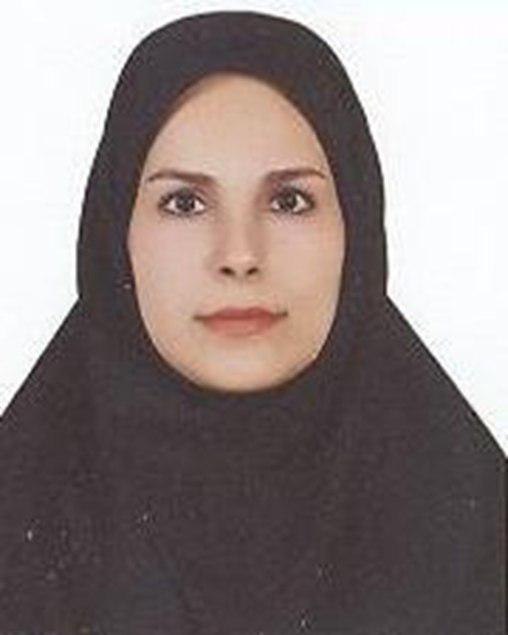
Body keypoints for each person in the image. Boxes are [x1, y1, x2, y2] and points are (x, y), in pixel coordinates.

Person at [0, 10, 505, 635]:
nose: (239, 255)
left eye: (289, 201)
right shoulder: (18, 531)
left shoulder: (478, 538)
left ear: (356, 227)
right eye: (184, 203)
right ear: (115, 236)